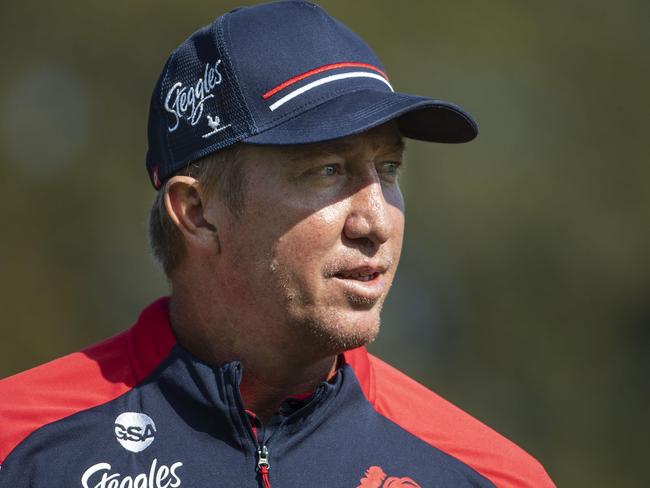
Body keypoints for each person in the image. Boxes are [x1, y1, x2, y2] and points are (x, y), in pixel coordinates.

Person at [0, 2, 555, 487]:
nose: (375, 220)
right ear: (197, 213)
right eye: (327, 170)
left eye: (388, 169)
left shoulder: (490, 476)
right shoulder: (18, 447)